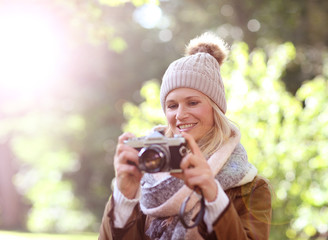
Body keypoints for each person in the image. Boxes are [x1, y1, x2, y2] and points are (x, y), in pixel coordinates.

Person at [99, 32, 272, 239]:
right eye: (172, 105)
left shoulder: (251, 188)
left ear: (215, 109)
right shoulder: (146, 177)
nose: (180, 115)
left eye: (192, 102)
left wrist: (212, 194)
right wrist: (124, 196)